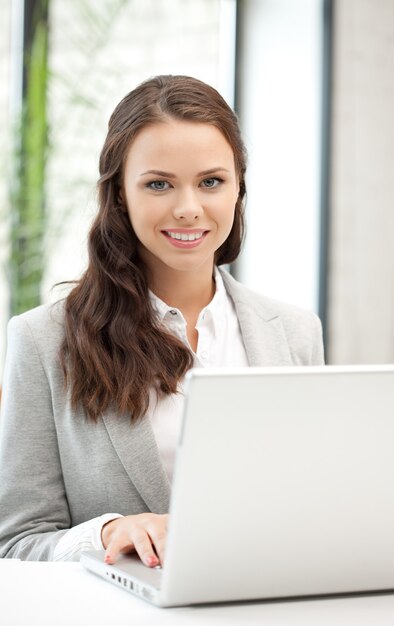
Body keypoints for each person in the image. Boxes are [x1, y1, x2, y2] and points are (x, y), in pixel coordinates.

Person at [0, 75, 324, 564]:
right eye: (158, 184)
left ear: (238, 189)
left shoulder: (297, 333)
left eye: (211, 182)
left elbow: (313, 512)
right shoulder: (42, 340)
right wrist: (108, 533)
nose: (189, 209)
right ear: (121, 195)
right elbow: (15, 543)